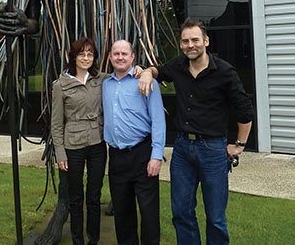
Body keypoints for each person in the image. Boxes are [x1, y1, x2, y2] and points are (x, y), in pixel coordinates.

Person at [138, 18, 254, 245]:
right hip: (182, 150)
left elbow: (245, 110)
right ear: (181, 45)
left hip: (213, 150)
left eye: (195, 40)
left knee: (216, 218)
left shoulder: (224, 71)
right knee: (181, 213)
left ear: (206, 41)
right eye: (185, 41)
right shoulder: (178, 67)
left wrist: (239, 145)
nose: (190, 45)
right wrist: (146, 73)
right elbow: (158, 70)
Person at [103, 39, 166, 245]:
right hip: (116, 157)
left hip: (142, 154)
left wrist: (156, 156)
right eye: (116, 54)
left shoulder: (147, 81)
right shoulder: (105, 85)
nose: (120, 57)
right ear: (110, 57)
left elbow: (158, 121)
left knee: (148, 213)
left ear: (132, 57)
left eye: (124, 53)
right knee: (122, 213)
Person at [51, 37, 108, 245]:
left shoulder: (102, 79)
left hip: (97, 144)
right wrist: (60, 153)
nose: (86, 58)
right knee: (76, 198)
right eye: (82, 54)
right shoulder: (61, 85)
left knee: (94, 197)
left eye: (90, 54)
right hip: (72, 146)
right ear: (73, 57)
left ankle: (93, 240)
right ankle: (78, 241)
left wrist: (143, 71)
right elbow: (56, 123)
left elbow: (124, 76)